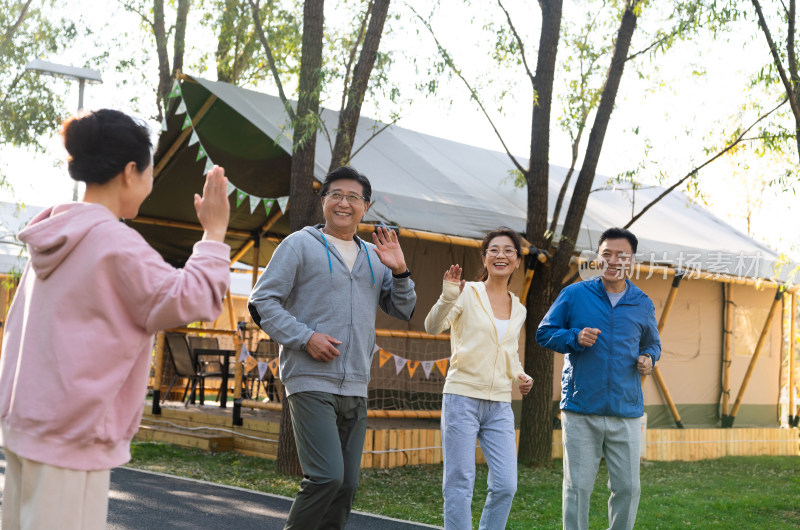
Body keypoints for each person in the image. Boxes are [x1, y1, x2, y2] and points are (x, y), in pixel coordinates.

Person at [0, 109, 231, 530]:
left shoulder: (53, 234)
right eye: (149, 172)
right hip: (70, 434)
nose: (149, 183)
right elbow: (192, 298)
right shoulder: (114, 242)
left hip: (26, 425)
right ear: (130, 172)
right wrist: (214, 234)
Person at [248, 166, 417, 530]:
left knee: (346, 486)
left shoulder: (376, 256)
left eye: (353, 197)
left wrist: (400, 271)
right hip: (310, 379)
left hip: (356, 383)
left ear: (365, 207)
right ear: (324, 201)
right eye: (336, 195)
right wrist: (305, 337)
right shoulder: (299, 244)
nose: (344, 203)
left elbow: (403, 309)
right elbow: (261, 302)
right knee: (325, 477)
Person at [536, 227, 661, 530]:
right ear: (597, 258)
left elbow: (652, 343)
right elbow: (544, 333)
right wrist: (575, 337)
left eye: (622, 255)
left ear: (632, 261)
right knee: (577, 488)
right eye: (607, 254)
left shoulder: (643, 303)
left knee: (629, 489)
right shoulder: (575, 294)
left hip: (626, 410)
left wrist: (649, 359)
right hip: (581, 408)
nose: (613, 260)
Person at [425, 227, 533, 530]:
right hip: (462, 398)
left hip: (499, 404)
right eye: (494, 250)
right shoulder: (467, 293)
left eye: (508, 250)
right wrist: (448, 296)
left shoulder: (519, 308)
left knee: (506, 485)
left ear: (516, 261)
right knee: (460, 482)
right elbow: (433, 326)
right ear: (484, 258)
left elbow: (508, 351)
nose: (501, 255)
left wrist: (520, 375)